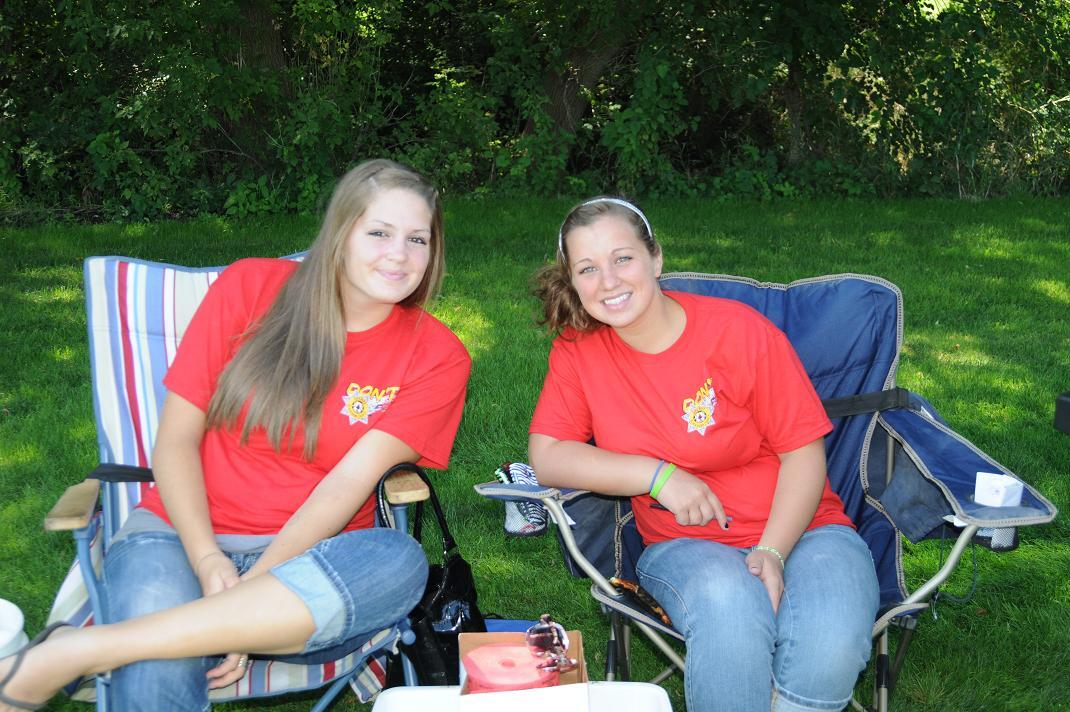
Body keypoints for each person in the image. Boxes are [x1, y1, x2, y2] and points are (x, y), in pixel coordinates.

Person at [0, 159, 471, 712]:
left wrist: (248, 604)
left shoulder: (437, 356)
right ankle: (151, 640)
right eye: (379, 232)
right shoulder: (251, 288)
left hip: (312, 562)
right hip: (178, 533)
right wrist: (206, 560)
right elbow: (174, 439)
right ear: (339, 233)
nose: (399, 254)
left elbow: (346, 485)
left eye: (418, 238)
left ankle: (77, 651)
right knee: (157, 665)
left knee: (401, 562)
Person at [528, 197, 879, 712]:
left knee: (831, 640)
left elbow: (804, 454)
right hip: (686, 544)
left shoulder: (739, 332)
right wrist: (658, 476)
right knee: (730, 608)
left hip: (807, 528)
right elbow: (549, 454)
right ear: (574, 282)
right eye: (588, 268)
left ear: (656, 259)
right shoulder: (578, 351)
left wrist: (774, 551)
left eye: (622, 258)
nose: (608, 281)